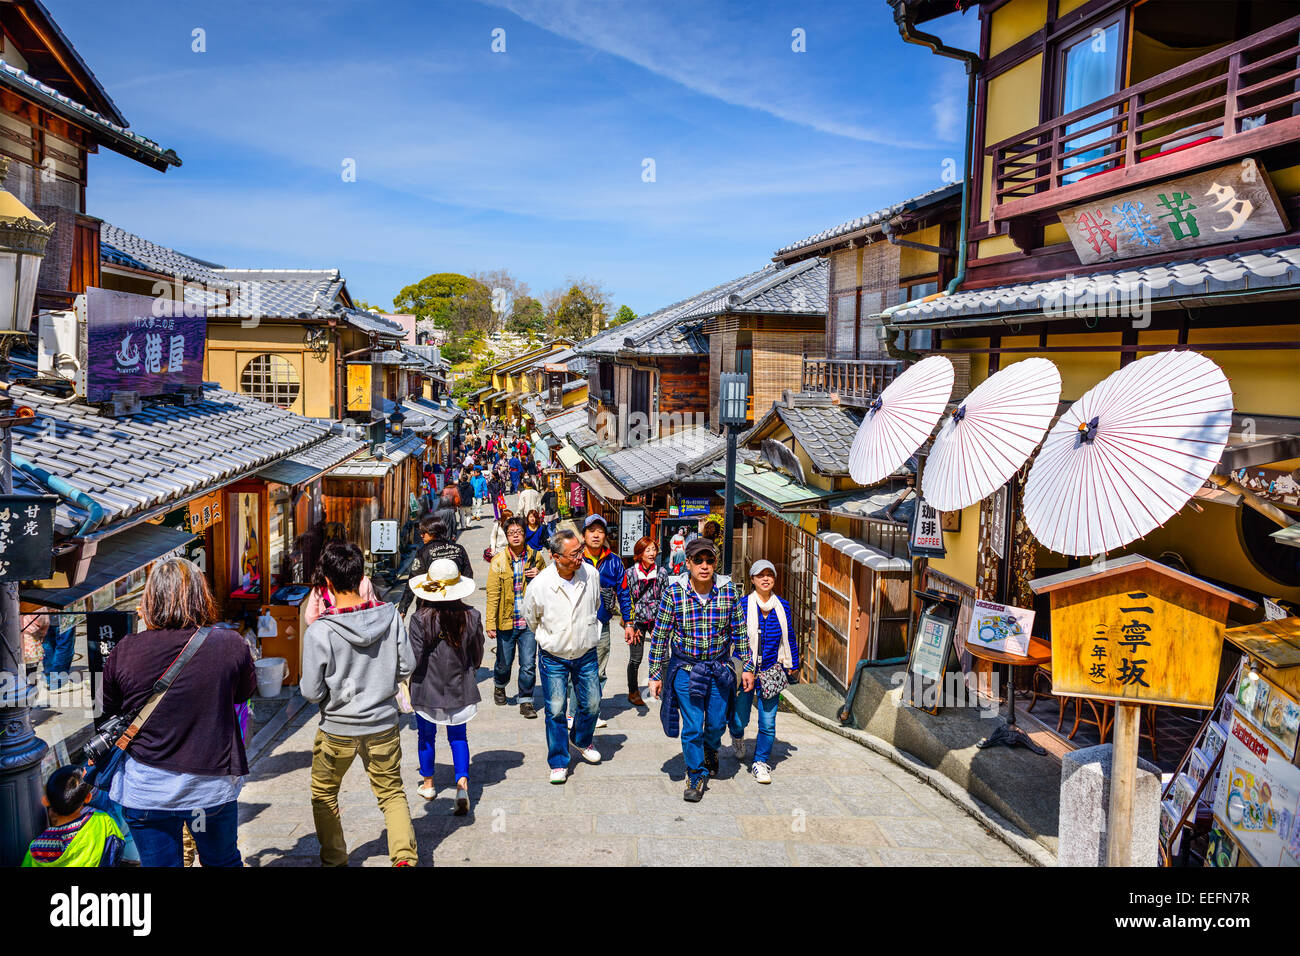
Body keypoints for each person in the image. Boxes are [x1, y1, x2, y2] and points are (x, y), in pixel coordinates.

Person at [101, 557, 256, 866]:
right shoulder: (229, 644)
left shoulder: (126, 649)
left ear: (149, 600)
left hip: (147, 787)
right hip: (210, 787)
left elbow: (108, 710)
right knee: (222, 861)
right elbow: (243, 693)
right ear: (202, 597)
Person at [301, 541, 417, 867]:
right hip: (383, 723)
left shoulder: (320, 631)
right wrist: (383, 681)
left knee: (324, 794)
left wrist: (333, 698)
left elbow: (311, 691)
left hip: (337, 728)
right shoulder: (390, 616)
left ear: (327, 583)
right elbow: (407, 665)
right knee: (391, 792)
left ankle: (335, 860)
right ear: (362, 576)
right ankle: (404, 859)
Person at [647, 536, 752, 803]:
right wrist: (655, 674)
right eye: (698, 560)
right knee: (692, 724)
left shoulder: (729, 591)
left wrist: (748, 667)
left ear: (715, 563)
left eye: (710, 560)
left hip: (718, 668)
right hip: (686, 670)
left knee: (716, 723)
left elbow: (740, 633)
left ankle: (711, 747)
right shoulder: (674, 592)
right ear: (688, 563)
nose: (704, 566)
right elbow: (660, 635)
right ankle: (695, 772)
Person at [521, 530, 603, 784]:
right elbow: (531, 618)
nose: (580, 556)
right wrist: (552, 636)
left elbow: (596, 604)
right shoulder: (540, 585)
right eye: (574, 553)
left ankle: (580, 739)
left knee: (592, 704)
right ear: (556, 557)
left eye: (580, 550)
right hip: (553, 656)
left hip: (585, 652)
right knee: (555, 710)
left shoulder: (591, 574)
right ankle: (558, 760)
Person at [407, 559, 484, 814]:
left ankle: (428, 783)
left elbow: (414, 657)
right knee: (458, 736)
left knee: (426, 735)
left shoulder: (420, 619)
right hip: (459, 684)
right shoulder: (471, 616)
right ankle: (462, 784)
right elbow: (477, 653)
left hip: (426, 685)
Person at [728, 560, 800, 785]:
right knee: (739, 719)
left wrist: (793, 662)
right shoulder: (742, 604)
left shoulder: (783, 606)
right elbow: (736, 638)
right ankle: (737, 736)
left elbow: (789, 635)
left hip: (771, 670)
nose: (766, 579)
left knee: (768, 722)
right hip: (746, 670)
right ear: (752, 580)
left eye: (770, 575)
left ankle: (760, 762)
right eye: (761, 575)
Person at [485, 516, 547, 717]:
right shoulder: (499, 561)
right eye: (511, 533)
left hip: (528, 621)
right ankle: (500, 684)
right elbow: (492, 594)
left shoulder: (535, 557)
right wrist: (490, 623)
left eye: (519, 532)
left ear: (524, 533)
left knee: (528, 664)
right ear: (506, 535)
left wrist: (540, 574)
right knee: (504, 663)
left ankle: (526, 701)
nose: (515, 536)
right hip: (506, 621)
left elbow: (550, 581)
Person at [576, 514, 634, 711]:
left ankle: (593, 710)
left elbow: (624, 593)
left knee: (599, 669)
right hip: (576, 623)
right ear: (583, 535)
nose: (596, 535)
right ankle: (574, 712)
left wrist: (629, 623)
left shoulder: (614, 562)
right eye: (591, 531)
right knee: (575, 669)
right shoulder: (575, 558)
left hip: (602, 623)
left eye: (600, 531)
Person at [23, 766, 125, 867]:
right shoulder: (104, 822)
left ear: (45, 801)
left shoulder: (37, 850)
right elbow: (117, 848)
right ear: (88, 798)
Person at [398, 515, 473, 615]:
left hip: (427, 607)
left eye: (424, 533)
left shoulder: (423, 552)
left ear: (433, 534)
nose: (421, 536)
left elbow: (413, 580)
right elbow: (468, 575)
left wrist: (403, 608)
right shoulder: (459, 549)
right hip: (454, 605)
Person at [626, 536, 664, 708]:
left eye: (653, 549)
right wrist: (631, 624)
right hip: (638, 621)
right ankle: (633, 692)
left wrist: (666, 622)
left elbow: (665, 598)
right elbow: (627, 599)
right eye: (647, 550)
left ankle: (667, 690)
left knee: (664, 656)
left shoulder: (662, 572)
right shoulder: (631, 573)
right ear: (639, 553)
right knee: (635, 658)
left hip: (657, 619)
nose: (652, 553)